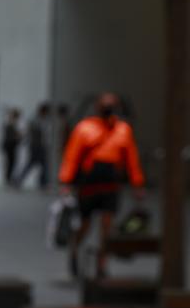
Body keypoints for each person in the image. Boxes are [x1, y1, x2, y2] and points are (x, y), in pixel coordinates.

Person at [58, 91, 145, 278]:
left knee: (107, 225)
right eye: (106, 104)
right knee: (85, 223)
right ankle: (75, 249)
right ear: (98, 107)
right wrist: (66, 182)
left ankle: (101, 263)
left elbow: (131, 158)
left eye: (112, 104)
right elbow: (72, 156)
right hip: (89, 184)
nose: (109, 108)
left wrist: (137, 183)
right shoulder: (85, 128)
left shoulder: (123, 130)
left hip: (110, 185)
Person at [14, 102, 50, 189]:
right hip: (36, 146)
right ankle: (19, 180)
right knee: (34, 164)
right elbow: (32, 132)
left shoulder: (41, 119)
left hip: (38, 145)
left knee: (41, 165)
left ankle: (42, 183)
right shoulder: (36, 120)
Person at [1, 108, 22, 185]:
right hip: (10, 146)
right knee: (11, 162)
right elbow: (11, 136)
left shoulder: (12, 124)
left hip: (11, 145)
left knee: (11, 162)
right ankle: (8, 178)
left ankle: (9, 177)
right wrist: (18, 135)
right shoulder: (10, 124)